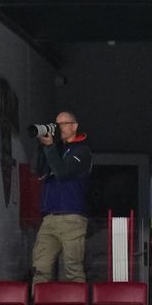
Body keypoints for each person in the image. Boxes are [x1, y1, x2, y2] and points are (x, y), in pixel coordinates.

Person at [30, 111, 92, 283]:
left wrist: (50, 147)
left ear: (75, 126)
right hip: (49, 217)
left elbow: (62, 173)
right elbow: (37, 170)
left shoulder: (82, 151)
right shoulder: (56, 148)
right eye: (57, 124)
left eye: (64, 124)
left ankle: (76, 301)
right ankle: (38, 300)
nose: (60, 128)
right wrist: (42, 146)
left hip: (72, 217)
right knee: (40, 268)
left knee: (73, 268)